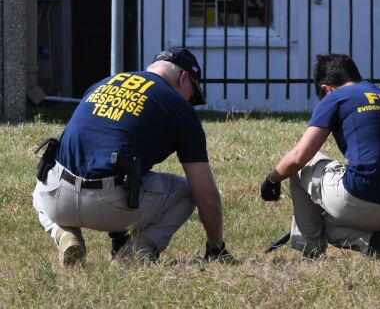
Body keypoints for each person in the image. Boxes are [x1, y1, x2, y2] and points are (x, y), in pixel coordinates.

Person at [32, 48, 231, 265]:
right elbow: (207, 196)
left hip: (57, 199)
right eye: (192, 95)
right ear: (183, 78)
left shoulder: (104, 83)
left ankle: (64, 234)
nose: (190, 102)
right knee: (188, 191)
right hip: (112, 205)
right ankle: (139, 249)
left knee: (41, 186)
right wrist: (216, 247)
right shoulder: (179, 108)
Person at [260, 54, 380, 258]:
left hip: (361, 196)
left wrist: (272, 179)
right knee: (324, 224)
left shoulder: (336, 97)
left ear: (326, 88)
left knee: (303, 164)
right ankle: (377, 242)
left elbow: (298, 157)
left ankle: (311, 248)